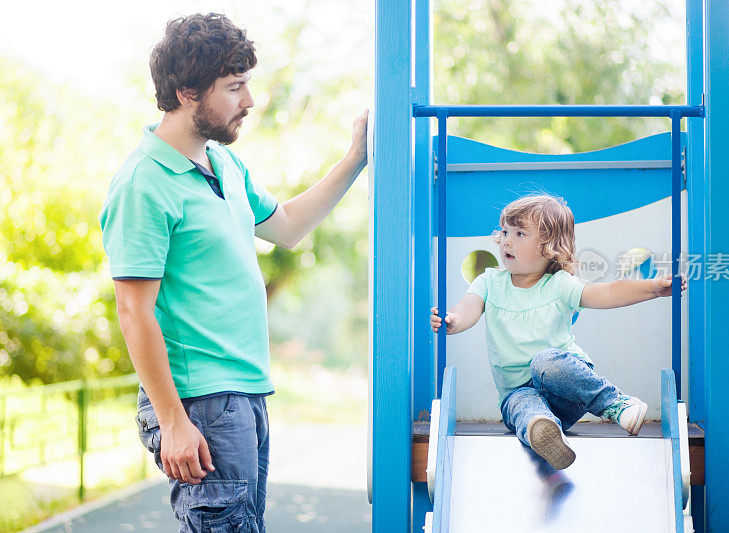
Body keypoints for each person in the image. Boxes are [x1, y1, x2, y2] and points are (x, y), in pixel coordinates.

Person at [99, 13, 367, 532]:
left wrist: (354, 159)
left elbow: (287, 226)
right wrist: (174, 420)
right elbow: (133, 311)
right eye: (234, 87)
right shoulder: (143, 182)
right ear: (186, 92)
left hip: (243, 394)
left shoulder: (225, 165)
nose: (248, 101)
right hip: (198, 402)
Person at [430, 194, 686, 474]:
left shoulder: (559, 285)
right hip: (519, 393)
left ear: (548, 247)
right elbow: (469, 306)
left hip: (569, 386)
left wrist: (652, 289)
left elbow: (607, 292)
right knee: (519, 406)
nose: (506, 241)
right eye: (504, 231)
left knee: (545, 362)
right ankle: (544, 432)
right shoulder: (490, 282)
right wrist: (453, 321)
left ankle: (614, 404)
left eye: (519, 233)